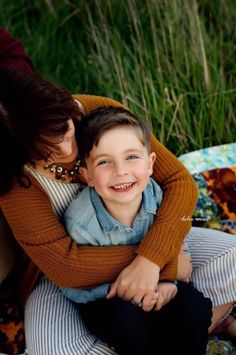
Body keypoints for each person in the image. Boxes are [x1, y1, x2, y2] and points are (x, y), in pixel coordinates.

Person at [0, 30, 235, 354]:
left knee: (232, 258)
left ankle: (176, 331)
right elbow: (65, 265)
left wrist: (152, 258)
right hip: (69, 282)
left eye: (66, 130)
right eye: (47, 150)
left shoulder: (93, 112)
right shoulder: (15, 182)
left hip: (146, 231)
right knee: (53, 348)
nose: (68, 149)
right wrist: (162, 263)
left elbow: (179, 183)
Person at [61, 105, 212, 354]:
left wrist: (166, 283)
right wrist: (119, 291)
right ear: (87, 175)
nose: (121, 171)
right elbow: (74, 282)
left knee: (195, 308)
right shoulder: (81, 222)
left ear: (151, 163)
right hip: (106, 299)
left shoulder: (155, 193)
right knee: (128, 324)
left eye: (131, 157)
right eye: (104, 162)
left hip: (157, 283)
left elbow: (173, 235)